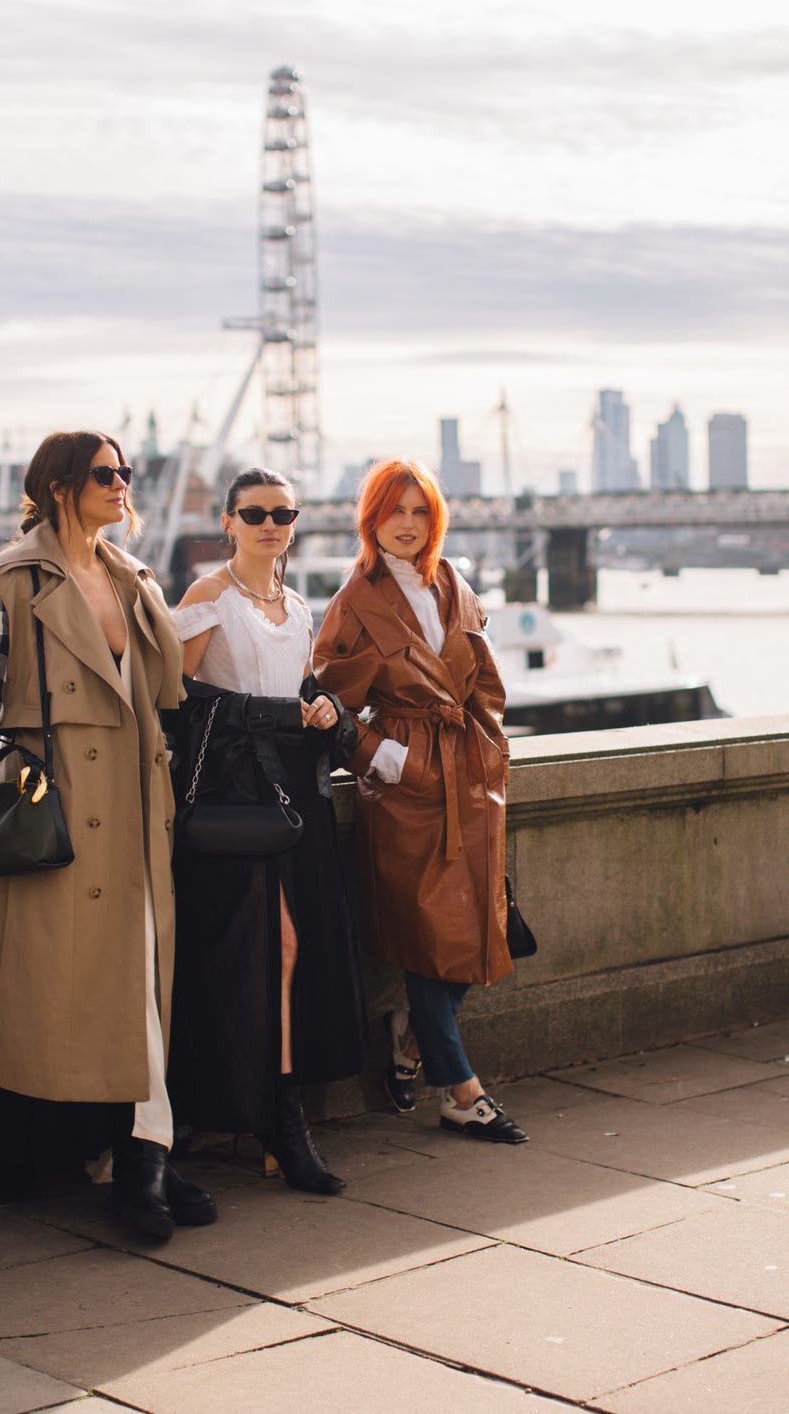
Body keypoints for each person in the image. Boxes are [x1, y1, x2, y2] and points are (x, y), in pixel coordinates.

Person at [0, 429, 217, 1240]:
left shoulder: (130, 578)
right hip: (66, 818)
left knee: (141, 996)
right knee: (94, 999)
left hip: (138, 816)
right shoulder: (9, 585)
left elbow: (167, 696)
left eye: (126, 472)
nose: (124, 484)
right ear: (59, 487)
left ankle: (141, 1157)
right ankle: (139, 1166)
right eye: (105, 474)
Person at [313, 458, 527, 1144]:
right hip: (406, 788)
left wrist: (489, 748)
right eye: (394, 511)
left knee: (478, 926)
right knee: (428, 934)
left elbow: (486, 685)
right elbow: (325, 705)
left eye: (420, 511)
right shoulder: (355, 602)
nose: (407, 525)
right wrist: (389, 760)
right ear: (371, 518)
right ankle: (461, 1090)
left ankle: (410, 1040)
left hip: (469, 777)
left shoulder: (451, 583)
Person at [166, 466, 365, 1194]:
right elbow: (176, 703)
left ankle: (269, 1112)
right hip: (235, 799)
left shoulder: (299, 603)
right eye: (255, 514)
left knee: (294, 947)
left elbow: (298, 686)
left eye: (284, 513)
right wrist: (265, 716)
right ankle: (280, 1119)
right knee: (266, 947)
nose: (271, 525)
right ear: (228, 522)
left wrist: (315, 710)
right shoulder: (205, 597)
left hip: (296, 795)